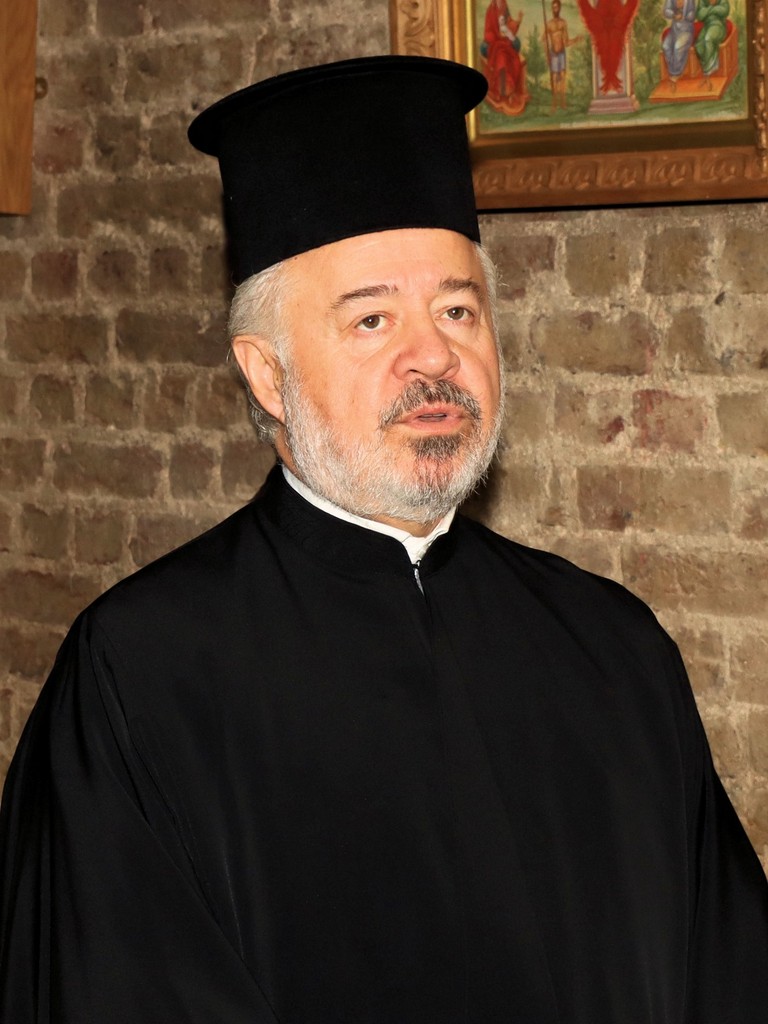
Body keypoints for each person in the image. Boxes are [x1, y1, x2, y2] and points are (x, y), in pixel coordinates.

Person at [1, 55, 767, 1024]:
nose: (434, 354)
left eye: (457, 309)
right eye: (372, 318)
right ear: (267, 375)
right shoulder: (140, 675)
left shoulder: (615, 647)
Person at [482, 0, 525, 105]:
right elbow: (489, 31)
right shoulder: (491, 10)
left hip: (504, 38)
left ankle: (509, 90)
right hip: (495, 41)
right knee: (501, 58)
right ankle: (502, 92)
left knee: (516, 45)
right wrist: (498, 35)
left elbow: (509, 22)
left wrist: (518, 21)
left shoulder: (504, 6)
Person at [543, 0, 581, 110]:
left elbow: (566, 42)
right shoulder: (549, 24)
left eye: (556, 7)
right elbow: (544, 40)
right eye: (553, 7)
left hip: (561, 53)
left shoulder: (563, 23)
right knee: (555, 78)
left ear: (559, 8)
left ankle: (563, 103)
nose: (555, 9)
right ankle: (554, 103)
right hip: (553, 54)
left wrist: (576, 40)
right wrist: (547, 55)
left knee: (563, 78)